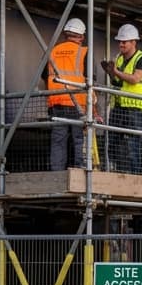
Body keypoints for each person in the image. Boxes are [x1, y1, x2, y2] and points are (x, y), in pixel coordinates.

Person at [101, 24, 142, 174]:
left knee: (132, 144)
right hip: (119, 108)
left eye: (125, 41)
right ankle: (111, 171)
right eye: (120, 41)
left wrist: (115, 71)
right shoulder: (120, 59)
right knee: (112, 141)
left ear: (133, 42)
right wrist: (111, 73)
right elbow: (118, 83)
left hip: (135, 109)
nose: (121, 44)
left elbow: (135, 79)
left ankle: (134, 175)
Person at [47, 17, 89, 171]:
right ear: (82, 36)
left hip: (56, 102)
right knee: (79, 139)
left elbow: (45, 76)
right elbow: (91, 82)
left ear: (65, 34)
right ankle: (80, 171)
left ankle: (56, 173)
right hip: (77, 104)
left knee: (58, 140)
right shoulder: (84, 52)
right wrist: (94, 109)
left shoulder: (53, 51)